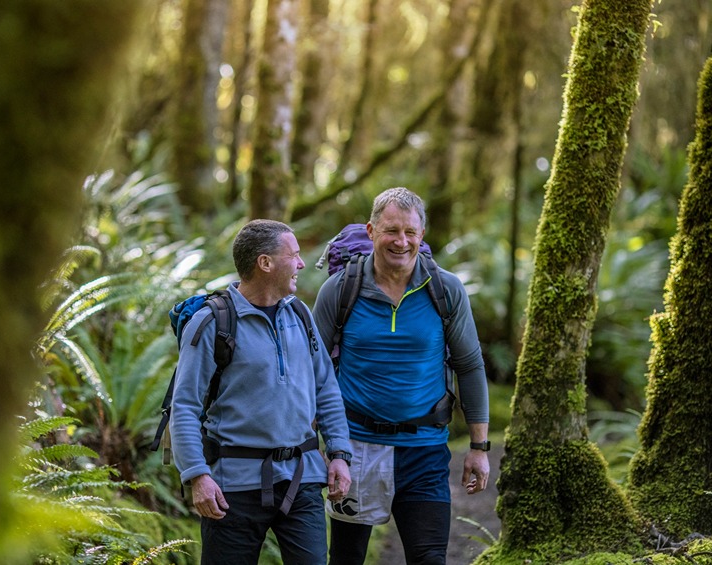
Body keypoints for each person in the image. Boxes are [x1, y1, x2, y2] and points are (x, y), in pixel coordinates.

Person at [312, 187, 490, 565]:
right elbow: (311, 367)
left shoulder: (446, 290)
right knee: (346, 558)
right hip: (354, 448)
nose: (401, 241)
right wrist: (314, 441)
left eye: (410, 232)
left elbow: (469, 365)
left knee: (429, 557)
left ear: (422, 235)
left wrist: (479, 447)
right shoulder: (340, 289)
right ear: (371, 230)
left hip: (424, 450)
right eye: (391, 230)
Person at [170, 219, 353, 565]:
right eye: (294, 255)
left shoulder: (300, 315)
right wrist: (196, 474)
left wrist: (340, 453)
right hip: (231, 487)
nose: (301, 264)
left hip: (302, 478)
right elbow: (184, 406)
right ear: (265, 263)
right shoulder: (211, 323)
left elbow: (326, 387)